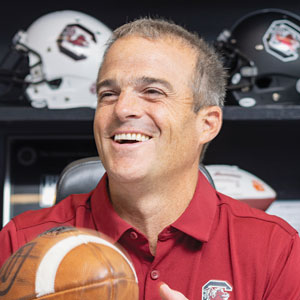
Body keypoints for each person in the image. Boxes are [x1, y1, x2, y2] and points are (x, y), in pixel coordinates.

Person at [1, 17, 300, 300]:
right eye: (108, 94)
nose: (122, 109)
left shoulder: (277, 250)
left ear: (206, 124)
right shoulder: (20, 242)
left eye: (152, 91)